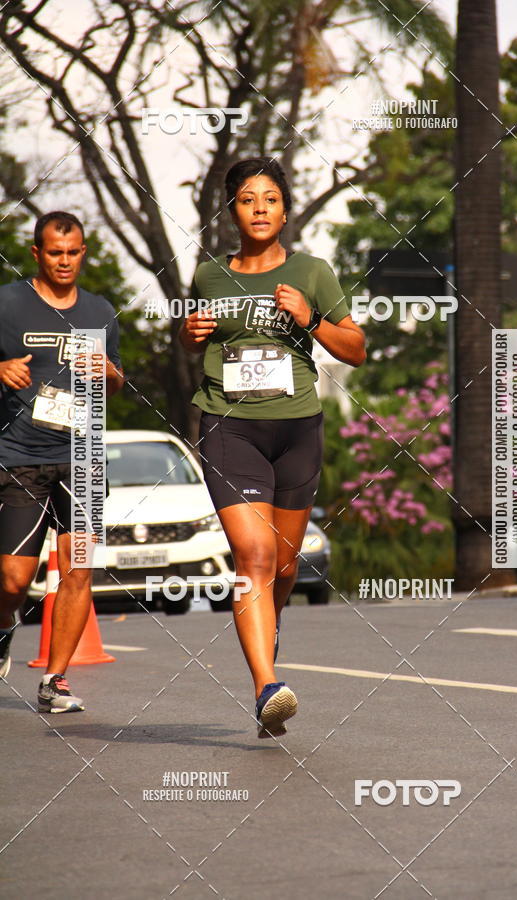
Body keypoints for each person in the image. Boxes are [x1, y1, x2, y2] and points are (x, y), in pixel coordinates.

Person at [179, 157, 365, 738]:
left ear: (285, 209)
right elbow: (193, 343)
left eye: (270, 199)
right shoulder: (210, 275)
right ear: (231, 209)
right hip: (228, 427)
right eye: (247, 199)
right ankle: (266, 685)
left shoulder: (313, 271)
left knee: (283, 566)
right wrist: (186, 335)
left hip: (297, 429)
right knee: (254, 555)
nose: (259, 209)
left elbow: (356, 348)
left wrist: (310, 320)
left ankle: (267, 646)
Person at [0, 211, 124, 712]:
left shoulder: (101, 311)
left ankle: (56, 680)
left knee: (77, 570)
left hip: (84, 455)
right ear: (36, 253)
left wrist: (109, 371)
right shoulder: (7, 303)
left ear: (83, 253)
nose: (65, 261)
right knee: (12, 579)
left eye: (73, 252)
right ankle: (6, 625)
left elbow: (116, 384)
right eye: (55, 252)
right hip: (20, 455)